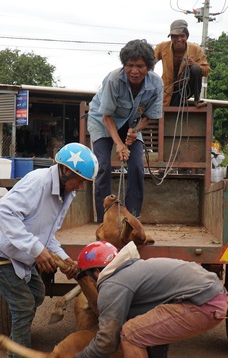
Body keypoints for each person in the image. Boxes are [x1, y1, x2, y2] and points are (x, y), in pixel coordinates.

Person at [0, 142, 99, 358]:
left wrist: (65, 260)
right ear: (65, 172)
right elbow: (5, 213)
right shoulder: (38, 182)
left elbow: (48, 235)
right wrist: (36, 250)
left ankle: (14, 354)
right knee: (23, 305)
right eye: (80, 180)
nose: (81, 186)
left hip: (17, 252)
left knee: (36, 294)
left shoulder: (66, 194)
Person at [73, 241, 228, 358]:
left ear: (96, 272)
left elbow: (107, 340)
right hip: (214, 295)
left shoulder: (112, 283)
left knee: (131, 334)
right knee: (148, 323)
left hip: (203, 304)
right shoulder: (134, 269)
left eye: (88, 277)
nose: (90, 282)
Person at [87, 39, 163, 223]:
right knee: (103, 166)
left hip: (132, 124)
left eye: (140, 66)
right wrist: (119, 145)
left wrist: (134, 131)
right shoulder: (114, 79)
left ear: (149, 67)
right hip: (102, 121)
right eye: (129, 65)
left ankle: (132, 216)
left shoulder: (156, 84)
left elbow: (149, 116)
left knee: (137, 165)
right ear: (124, 65)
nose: (134, 71)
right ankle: (106, 219)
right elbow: (106, 117)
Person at [155, 19, 211, 107]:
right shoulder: (162, 47)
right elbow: (149, 62)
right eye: (175, 36)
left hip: (186, 87)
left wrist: (194, 64)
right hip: (167, 87)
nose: (179, 39)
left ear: (187, 36)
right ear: (171, 37)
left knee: (195, 69)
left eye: (182, 36)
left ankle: (197, 99)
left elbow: (206, 70)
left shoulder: (195, 49)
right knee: (170, 107)